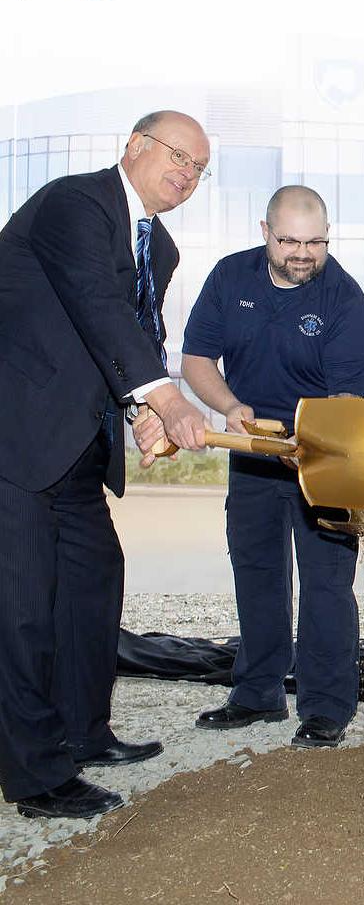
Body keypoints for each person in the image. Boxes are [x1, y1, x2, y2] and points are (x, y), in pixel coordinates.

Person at [0, 111, 210, 819]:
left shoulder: (164, 247)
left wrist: (144, 414)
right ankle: (36, 778)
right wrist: (164, 396)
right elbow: (94, 305)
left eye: (197, 169)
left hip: (77, 450)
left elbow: (137, 333)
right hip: (17, 436)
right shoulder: (75, 204)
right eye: (176, 154)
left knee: (92, 587)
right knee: (22, 610)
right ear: (134, 147)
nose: (185, 173)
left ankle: (84, 733)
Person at [181, 185, 364, 750]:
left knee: (326, 584)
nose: (303, 253)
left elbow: (346, 408)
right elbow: (196, 360)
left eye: (315, 241)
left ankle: (326, 706)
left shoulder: (344, 300)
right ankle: (257, 692)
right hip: (251, 454)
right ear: (265, 232)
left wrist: (305, 446)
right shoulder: (229, 277)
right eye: (289, 239)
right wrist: (229, 408)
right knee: (257, 571)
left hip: (324, 459)